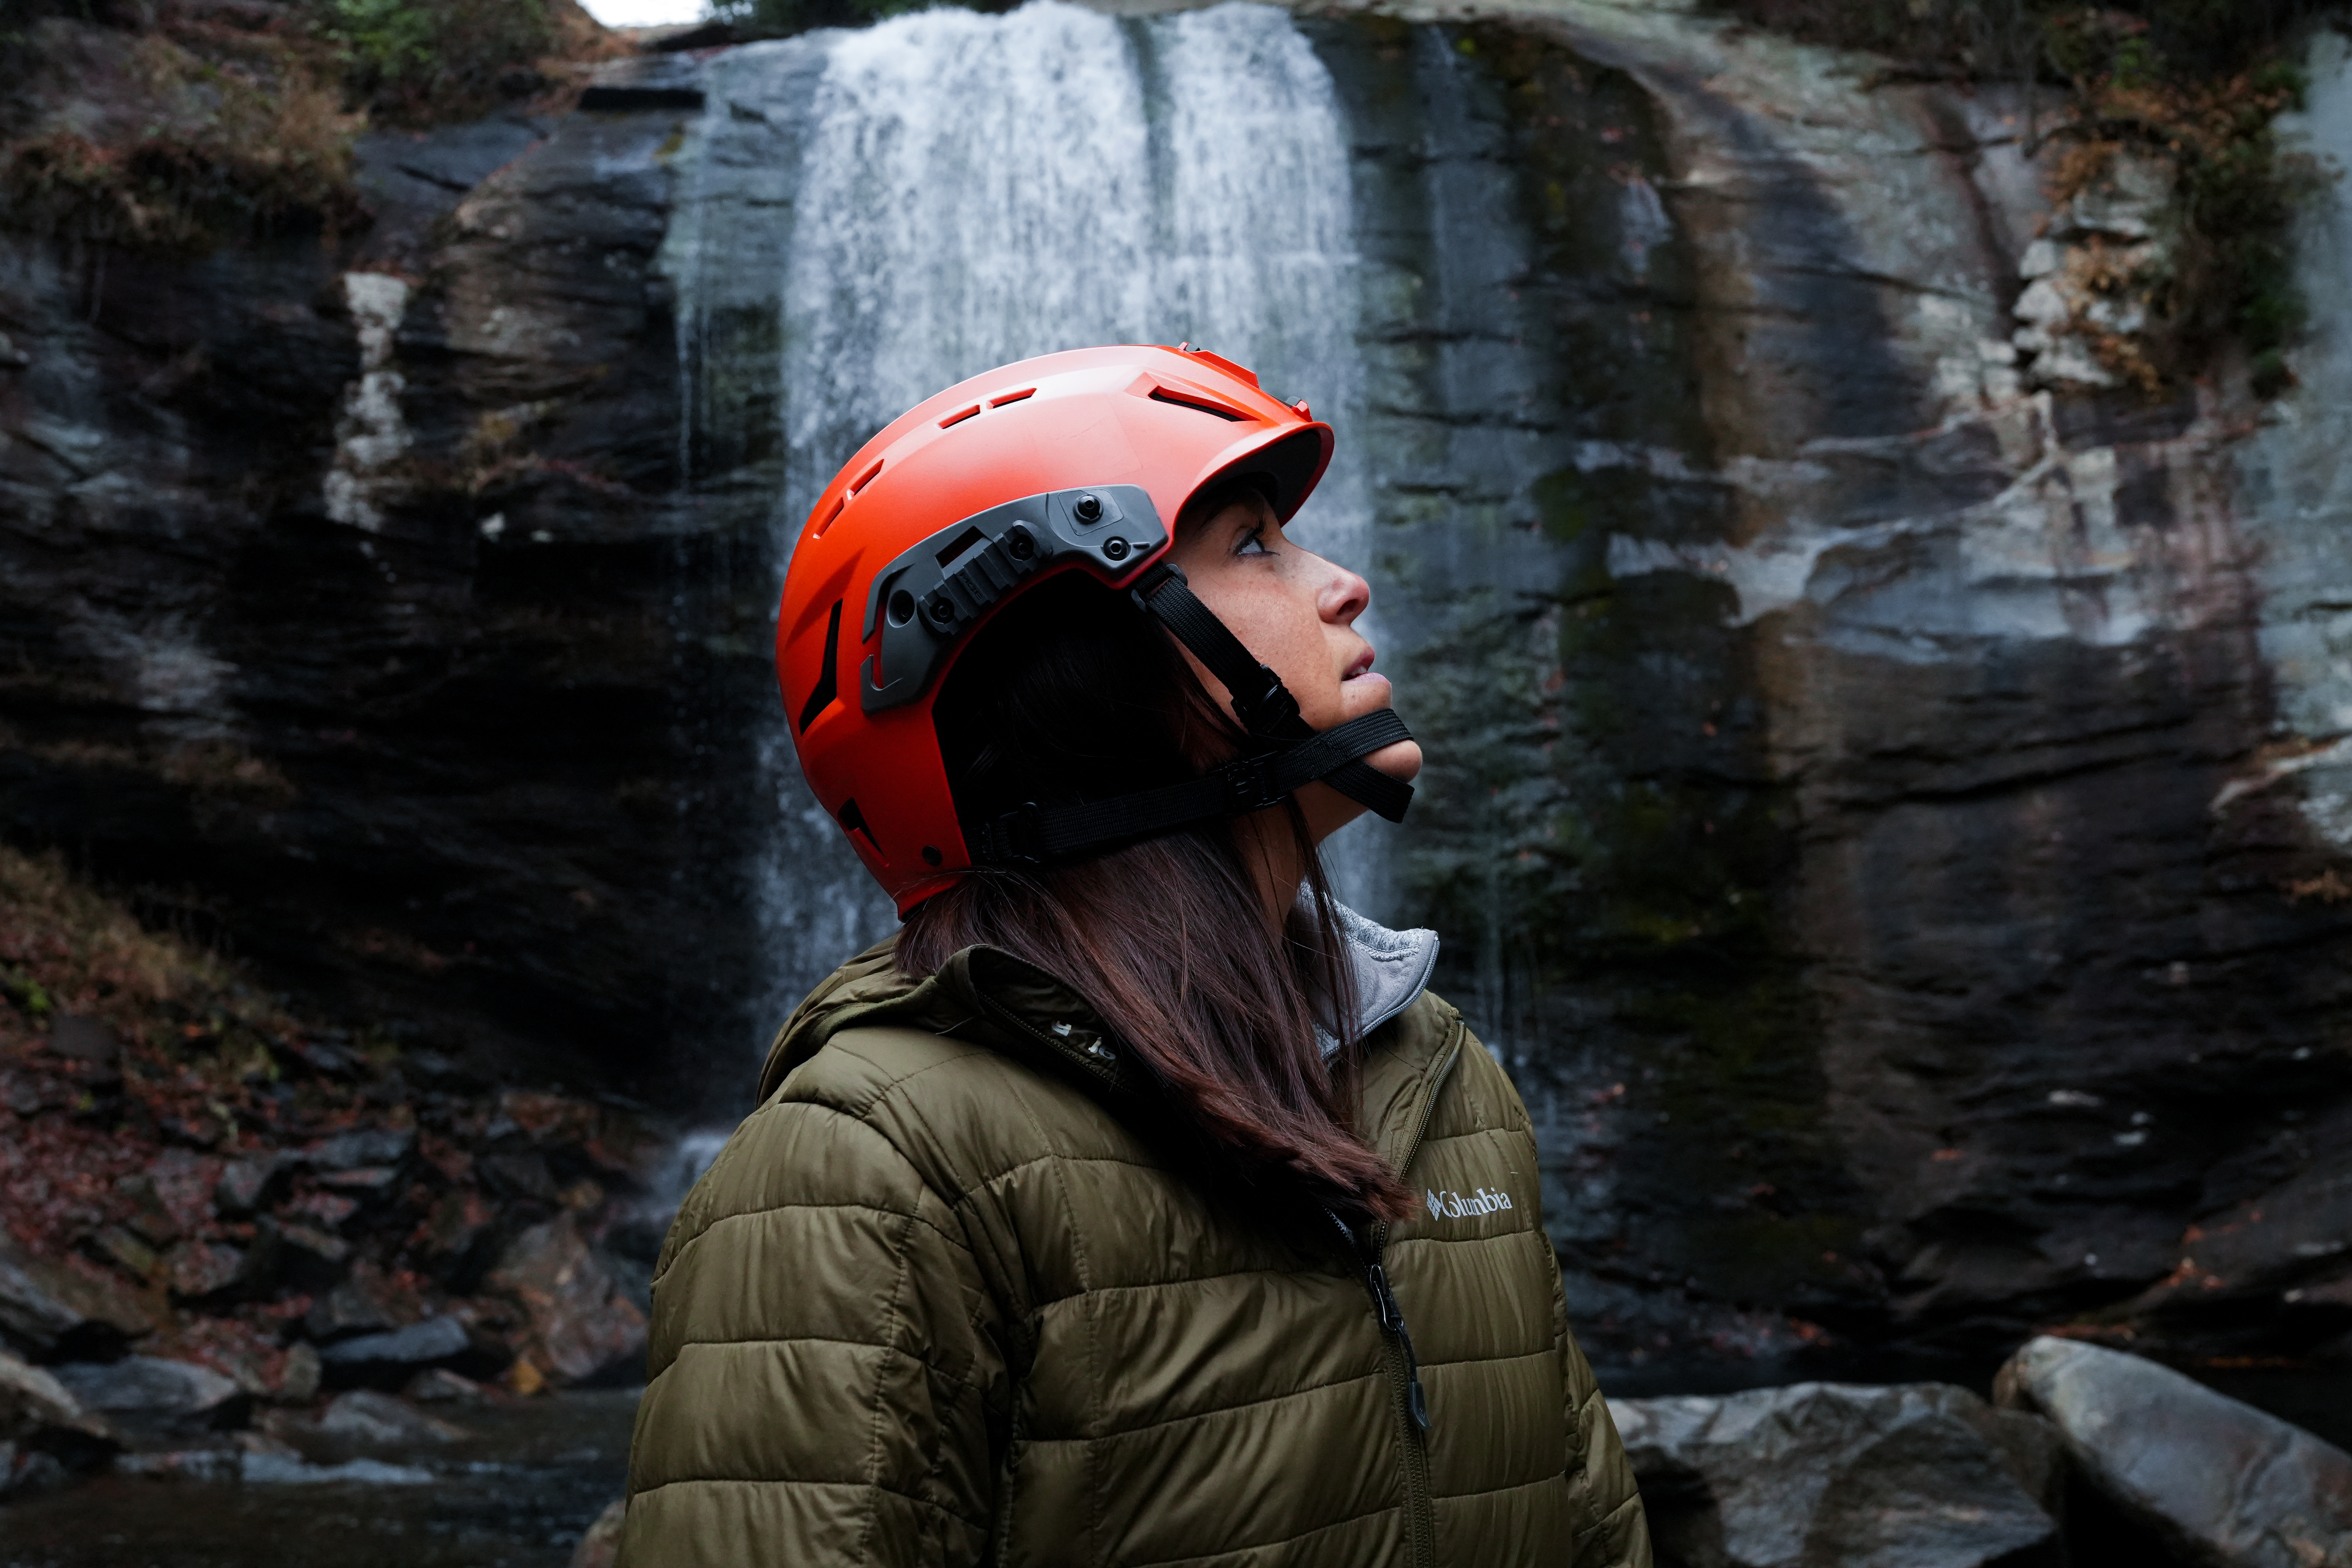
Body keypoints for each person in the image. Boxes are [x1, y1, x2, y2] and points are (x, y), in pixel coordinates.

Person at [617, 344, 1651, 1567]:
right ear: (1074, 679)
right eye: (1252, 545)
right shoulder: (867, 1167)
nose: (1348, 587)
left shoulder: (1437, 1076)